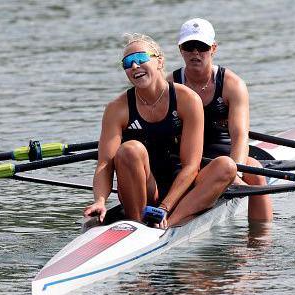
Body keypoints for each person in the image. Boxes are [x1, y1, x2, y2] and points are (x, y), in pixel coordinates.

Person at [84, 33, 236, 229]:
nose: (134, 66)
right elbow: (105, 163)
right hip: (145, 186)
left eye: (141, 59)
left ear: (159, 61)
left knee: (227, 166)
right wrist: (100, 201)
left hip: (181, 185)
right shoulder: (117, 108)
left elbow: (191, 166)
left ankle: (168, 223)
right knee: (130, 149)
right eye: (128, 62)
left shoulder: (187, 100)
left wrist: (165, 207)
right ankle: (137, 222)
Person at [167, 18, 273, 222]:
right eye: (189, 46)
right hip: (187, 160)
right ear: (180, 49)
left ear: (213, 48)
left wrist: (237, 172)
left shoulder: (232, 84)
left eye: (202, 47)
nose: (195, 53)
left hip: (224, 156)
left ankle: (260, 241)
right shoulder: (169, 85)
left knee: (257, 174)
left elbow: (240, 135)